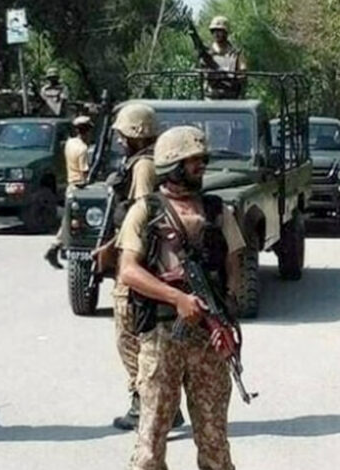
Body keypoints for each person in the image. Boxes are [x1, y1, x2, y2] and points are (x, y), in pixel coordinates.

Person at [117, 125, 244, 469]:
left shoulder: (217, 211)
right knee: (150, 446)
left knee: (215, 443)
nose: (201, 166)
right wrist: (176, 298)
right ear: (172, 164)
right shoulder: (145, 211)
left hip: (208, 340)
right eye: (193, 160)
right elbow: (128, 271)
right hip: (162, 337)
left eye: (203, 159)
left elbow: (234, 259)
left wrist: (226, 308)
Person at [93, 103, 178, 431]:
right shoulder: (147, 161)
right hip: (140, 256)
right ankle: (160, 403)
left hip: (137, 261)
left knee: (129, 336)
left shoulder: (143, 166)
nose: (119, 140)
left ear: (136, 134)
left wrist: (114, 247)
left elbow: (142, 215)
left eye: (123, 134)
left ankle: (144, 401)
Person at [44, 115, 94, 268]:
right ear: (88, 132)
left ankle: (57, 247)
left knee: (67, 220)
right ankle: (57, 247)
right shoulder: (83, 149)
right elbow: (85, 173)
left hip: (70, 185)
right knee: (75, 222)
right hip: (80, 187)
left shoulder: (70, 143)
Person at [202, 16, 247, 99]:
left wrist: (233, 78)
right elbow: (201, 73)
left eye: (219, 31)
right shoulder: (206, 54)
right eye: (214, 31)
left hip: (232, 98)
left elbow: (243, 74)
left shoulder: (236, 53)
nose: (216, 34)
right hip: (211, 97)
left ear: (226, 32)